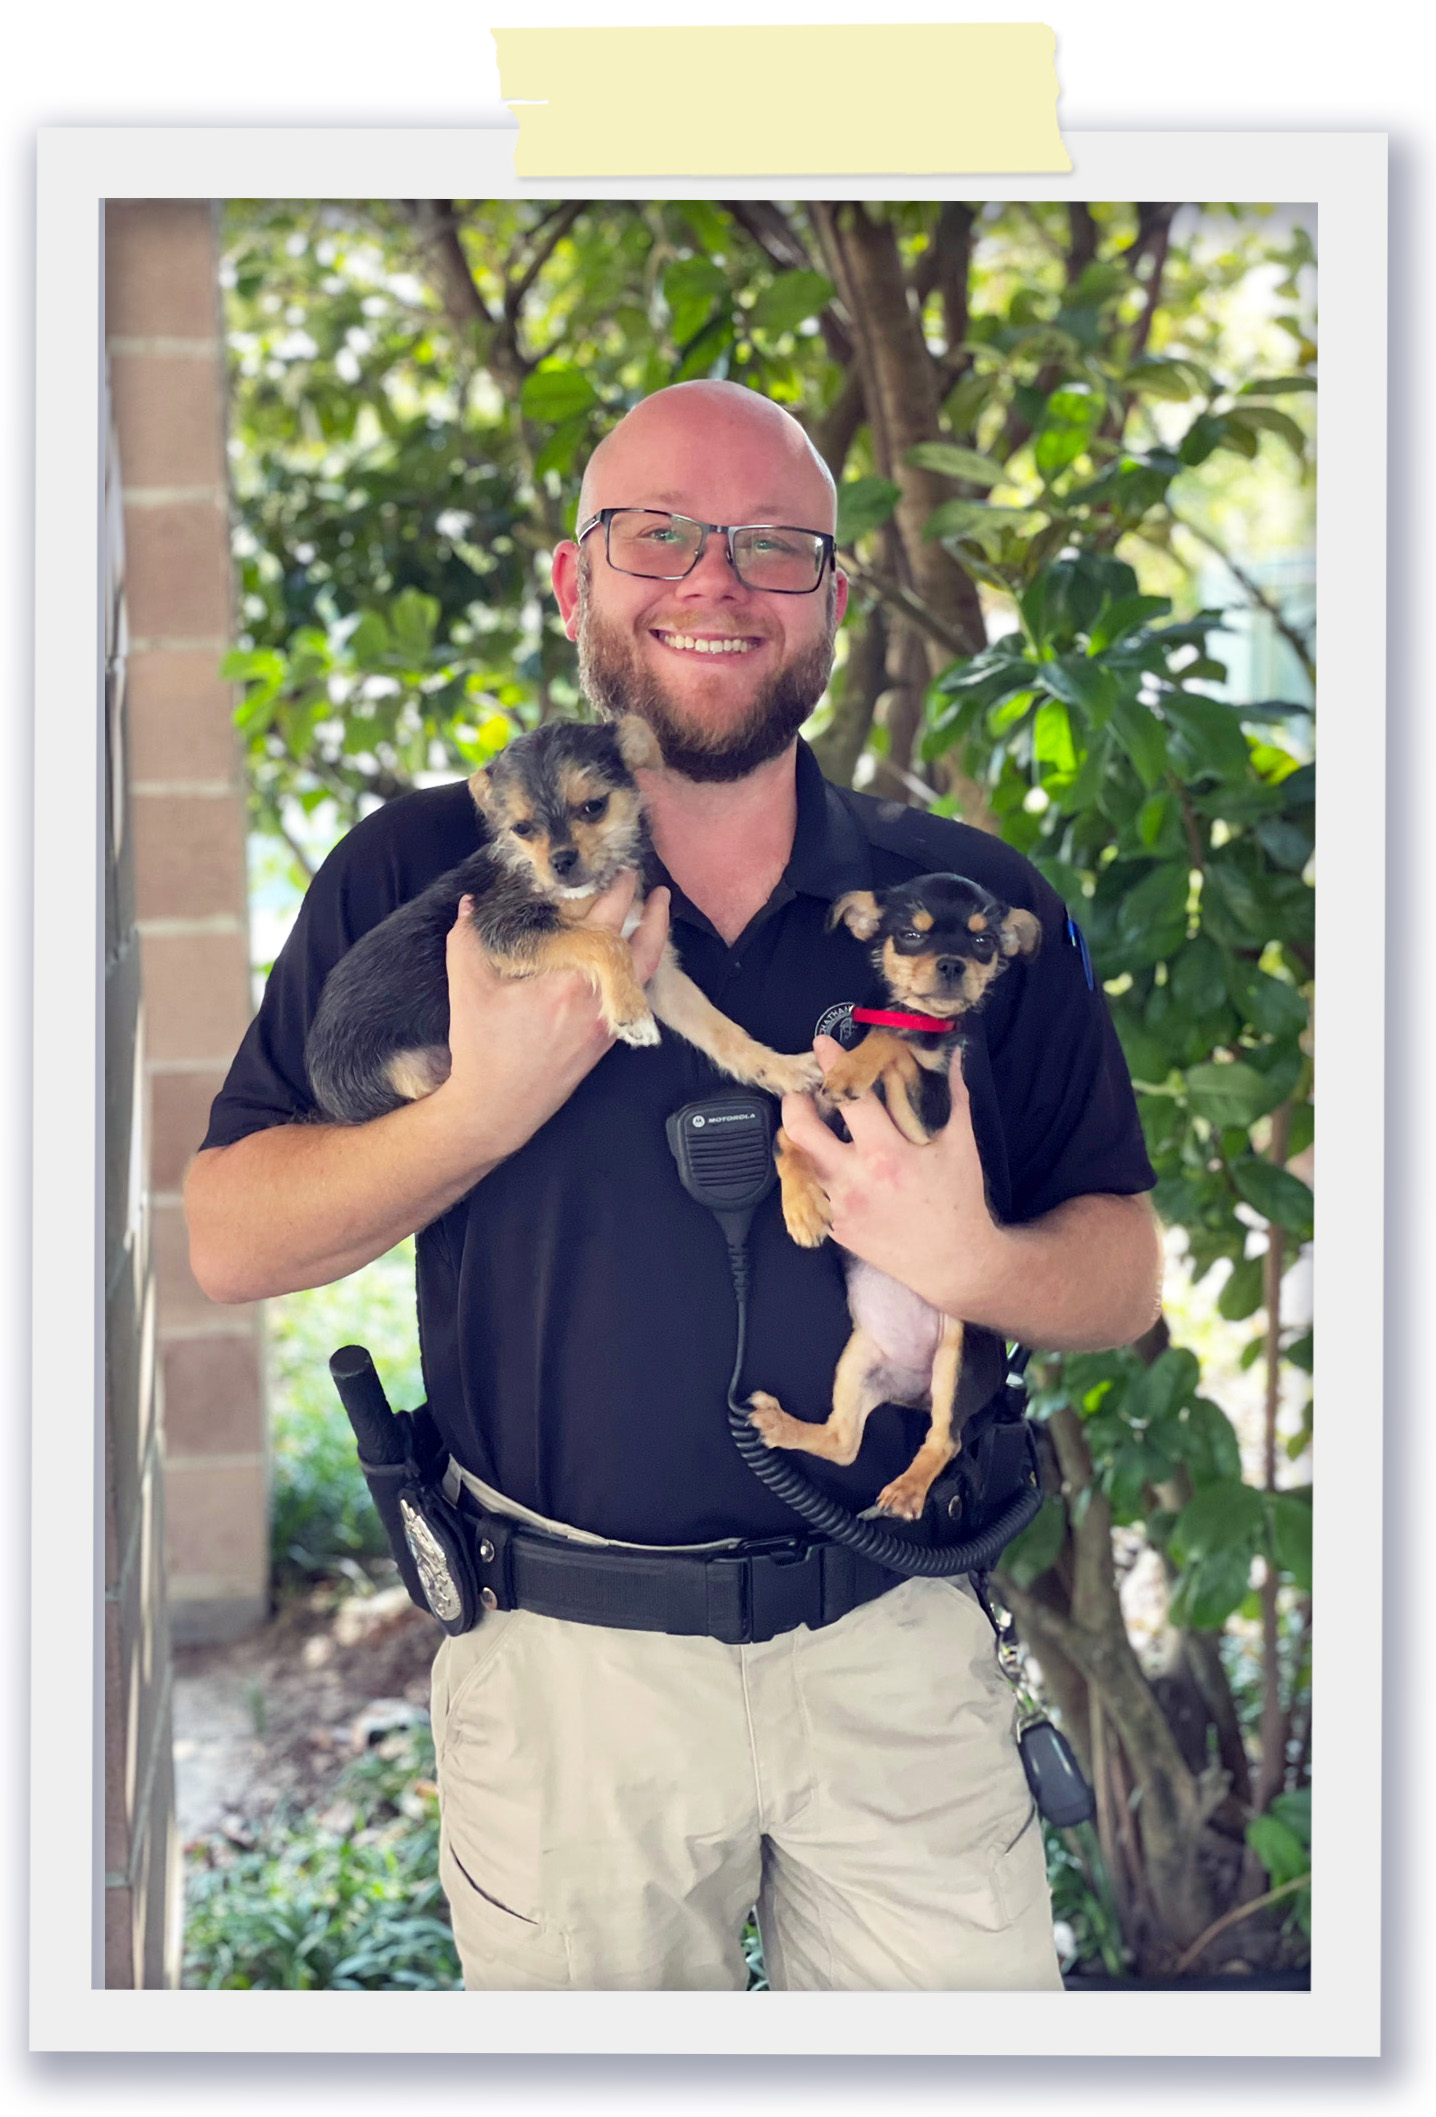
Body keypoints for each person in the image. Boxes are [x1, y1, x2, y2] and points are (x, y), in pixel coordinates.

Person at [186, 379, 1162, 1992]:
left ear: (834, 600)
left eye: (776, 546)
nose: (717, 581)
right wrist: (475, 1114)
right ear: (574, 581)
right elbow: (228, 1239)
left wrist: (969, 1257)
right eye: (661, 534)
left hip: (900, 1650)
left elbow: (1122, 1276)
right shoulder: (419, 880)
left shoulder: (966, 904)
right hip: (572, 1684)